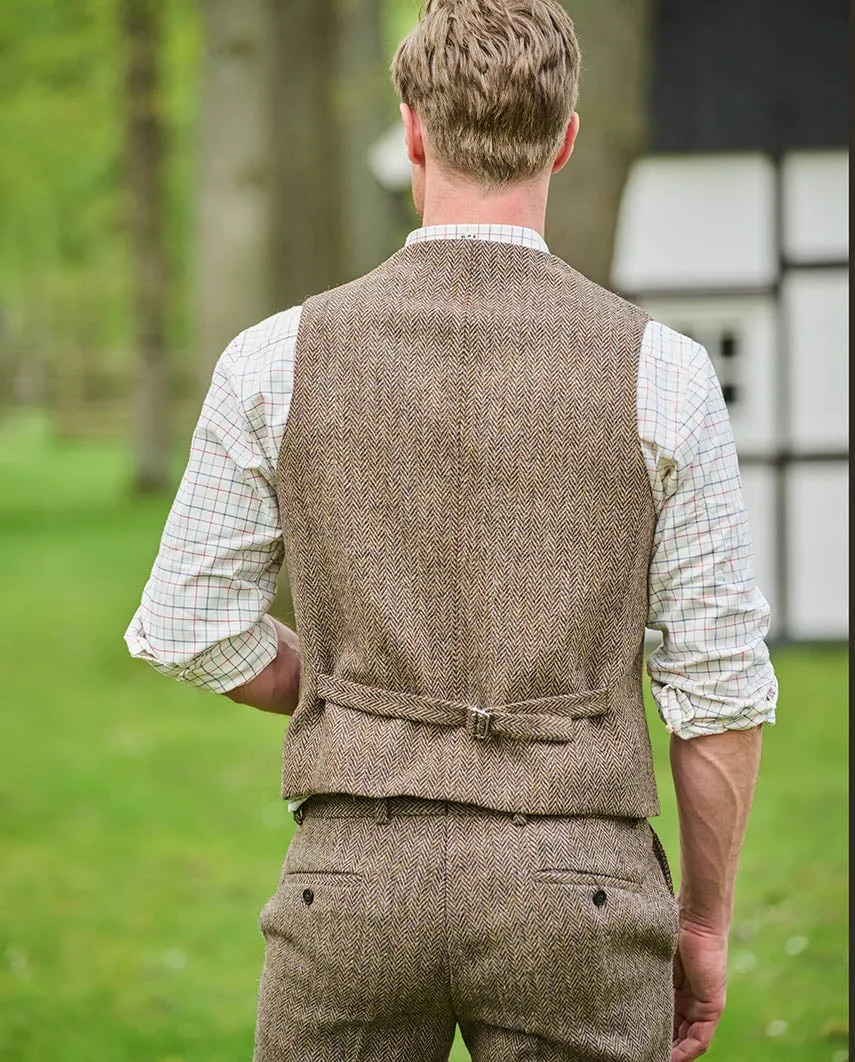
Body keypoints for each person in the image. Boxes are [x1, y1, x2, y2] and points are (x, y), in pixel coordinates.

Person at [125, 1, 778, 1059]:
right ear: (566, 136)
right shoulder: (665, 373)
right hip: (582, 893)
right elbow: (718, 692)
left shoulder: (273, 359)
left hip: (351, 887)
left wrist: (333, 690)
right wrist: (703, 925)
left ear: (413, 128)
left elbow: (186, 623)